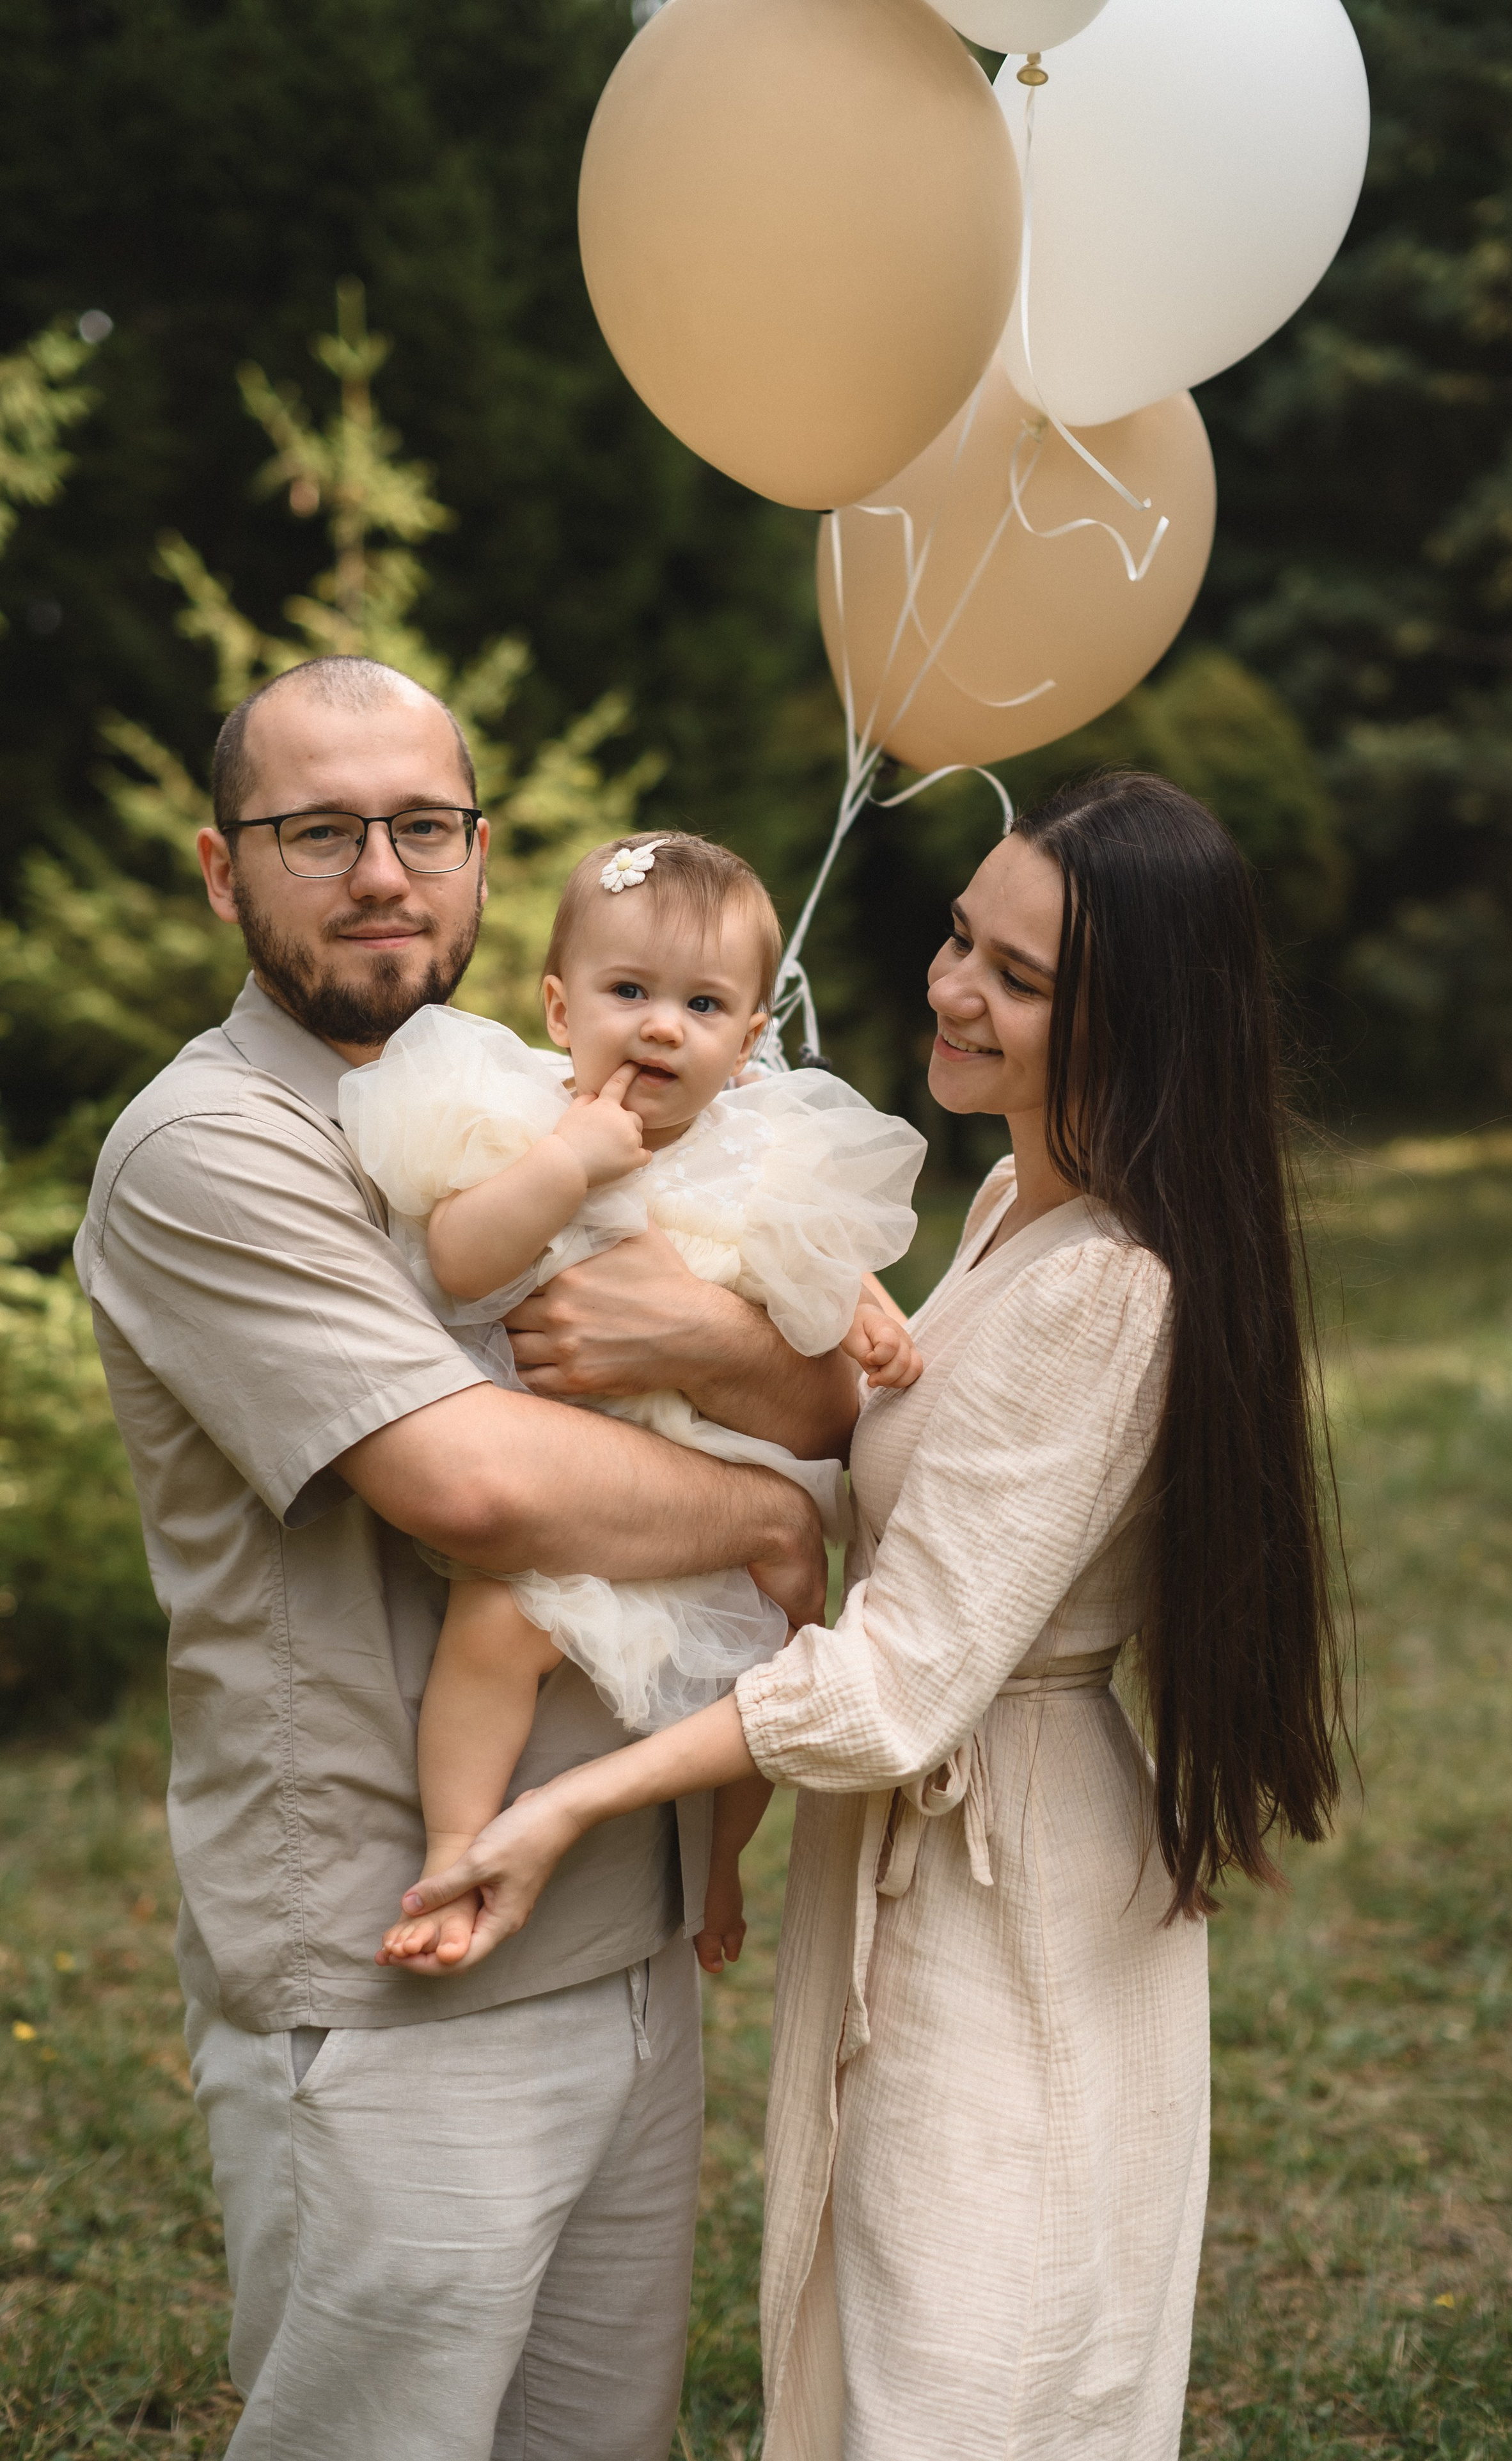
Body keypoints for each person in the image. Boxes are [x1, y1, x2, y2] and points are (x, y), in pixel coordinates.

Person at [402, 770, 1347, 2460]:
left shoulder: (1112, 1286)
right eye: (956, 941)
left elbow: (899, 1683)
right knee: (878, 2330)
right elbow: (889, 1445)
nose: (951, 990)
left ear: (1129, 1020)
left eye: (1019, 977)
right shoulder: (1001, 1210)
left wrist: (569, 1807)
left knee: (966, 2361)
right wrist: (705, 1350)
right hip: (916, 1847)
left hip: (1006, 1873)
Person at [73, 654, 841, 2461]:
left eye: (423, 825)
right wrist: (758, 1518)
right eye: (317, 830)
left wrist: (725, 1366)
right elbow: (483, 1490)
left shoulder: (539, 1097)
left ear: (485, 857)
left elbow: (819, 1383)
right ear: (218, 869)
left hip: (628, 1931)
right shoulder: (212, 1148)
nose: (380, 870)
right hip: (394, 1972)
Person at [336, 829, 923, 1972]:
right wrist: (568, 1160)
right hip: (582, 1482)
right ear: (561, 1008)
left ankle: (719, 1874)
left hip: (719, 1480)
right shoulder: (516, 1123)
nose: (662, 1024)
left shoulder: (763, 1152)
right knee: (495, 1626)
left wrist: (869, 1306)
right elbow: (457, 1258)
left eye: (704, 1005)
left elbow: (817, 1252)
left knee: (771, 1689)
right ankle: (457, 1851)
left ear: (750, 1044)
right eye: (629, 991)